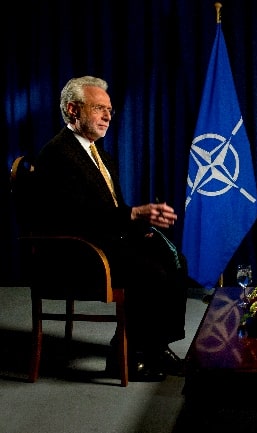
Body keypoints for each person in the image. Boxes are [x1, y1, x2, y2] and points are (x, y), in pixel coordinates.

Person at [33, 76, 187, 382]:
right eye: (99, 108)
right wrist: (132, 214)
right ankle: (124, 356)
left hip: (105, 241)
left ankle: (156, 346)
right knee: (150, 272)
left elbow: (110, 211)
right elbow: (75, 216)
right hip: (76, 253)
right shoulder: (58, 154)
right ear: (73, 110)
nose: (107, 116)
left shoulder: (102, 156)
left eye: (110, 110)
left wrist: (138, 224)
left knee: (174, 259)